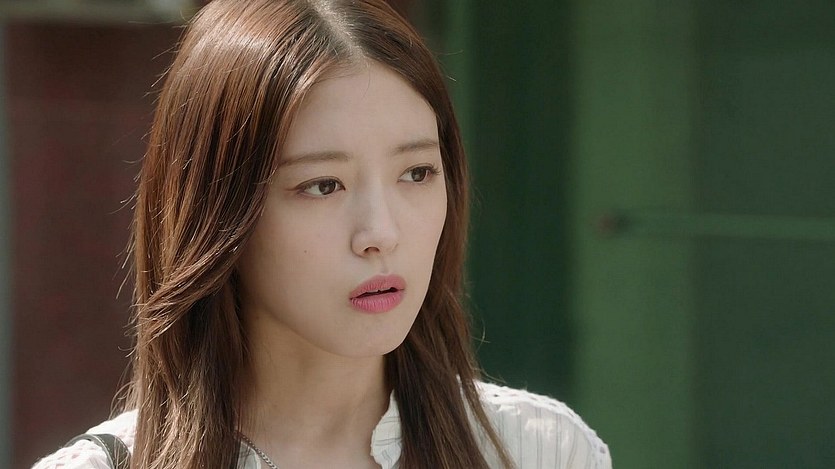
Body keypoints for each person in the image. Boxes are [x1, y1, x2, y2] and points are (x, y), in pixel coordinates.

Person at [33, 0, 611, 468]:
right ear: (220, 212)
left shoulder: (538, 451)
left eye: (416, 173)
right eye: (323, 185)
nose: (380, 233)